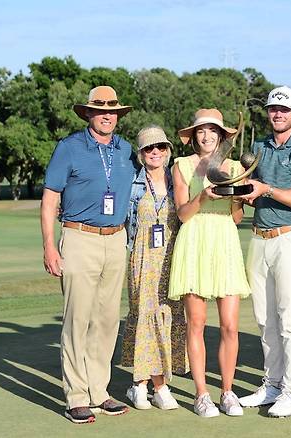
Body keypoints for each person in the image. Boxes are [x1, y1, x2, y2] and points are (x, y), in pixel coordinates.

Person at [41, 85, 135, 423]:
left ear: (118, 116)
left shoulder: (126, 150)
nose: (107, 115)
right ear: (89, 114)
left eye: (113, 110)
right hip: (79, 237)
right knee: (77, 320)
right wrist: (50, 246)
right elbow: (50, 199)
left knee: (107, 320)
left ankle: (99, 391)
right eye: (100, 110)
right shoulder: (69, 148)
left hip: (116, 239)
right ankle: (77, 396)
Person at [238, 86, 291, 417]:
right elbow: (253, 190)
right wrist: (246, 193)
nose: (278, 114)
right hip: (259, 238)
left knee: (289, 319)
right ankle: (271, 384)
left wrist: (266, 189)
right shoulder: (259, 147)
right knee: (263, 318)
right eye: (273, 109)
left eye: (284, 110)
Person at [168, 108, 250, 418]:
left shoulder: (232, 166)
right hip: (195, 239)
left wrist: (240, 196)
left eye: (213, 131)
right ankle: (202, 394)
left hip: (224, 241)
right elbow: (183, 214)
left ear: (221, 135)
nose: (207, 136)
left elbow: (236, 215)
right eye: (201, 131)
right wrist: (204, 197)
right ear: (193, 136)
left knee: (230, 326)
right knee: (197, 324)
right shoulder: (182, 166)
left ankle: (228, 392)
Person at [121, 125, 187, 411]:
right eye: (149, 148)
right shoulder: (133, 183)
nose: (155, 152)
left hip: (172, 257)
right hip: (142, 258)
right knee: (144, 316)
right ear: (141, 153)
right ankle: (149, 386)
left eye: (160, 147)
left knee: (169, 316)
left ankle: (150, 385)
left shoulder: (177, 181)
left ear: (168, 151)